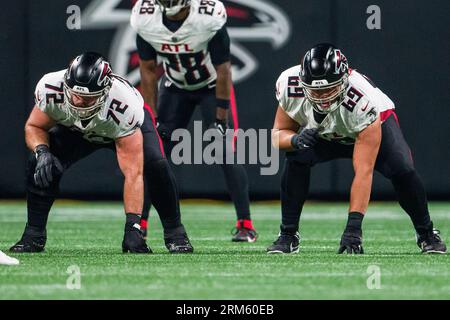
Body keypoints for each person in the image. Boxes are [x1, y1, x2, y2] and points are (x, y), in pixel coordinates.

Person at [267, 43, 447, 254]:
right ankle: (288, 234)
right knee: (296, 157)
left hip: (366, 127)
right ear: (303, 83)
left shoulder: (363, 102)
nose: (323, 97)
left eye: (329, 88)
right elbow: (277, 135)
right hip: (325, 133)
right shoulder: (290, 85)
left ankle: (426, 233)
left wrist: (354, 228)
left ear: (344, 80)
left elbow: (364, 171)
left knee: (403, 169)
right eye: (316, 90)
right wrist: (296, 140)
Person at [9, 52, 193, 254]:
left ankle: (175, 233)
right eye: (75, 94)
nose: (78, 102)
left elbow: (133, 172)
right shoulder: (51, 87)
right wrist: (42, 151)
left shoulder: (124, 105)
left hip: (118, 129)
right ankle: (33, 235)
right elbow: (34, 126)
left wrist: (133, 226)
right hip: (77, 129)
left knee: (156, 165)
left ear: (104, 91)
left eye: (87, 98)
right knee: (40, 163)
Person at [130, 0, 257, 242]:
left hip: (211, 87)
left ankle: (245, 224)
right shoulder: (145, 18)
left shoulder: (208, 16)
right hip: (174, 87)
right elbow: (147, 69)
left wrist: (220, 116)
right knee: (153, 154)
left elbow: (223, 69)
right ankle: (140, 223)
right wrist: (151, 116)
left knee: (225, 152)